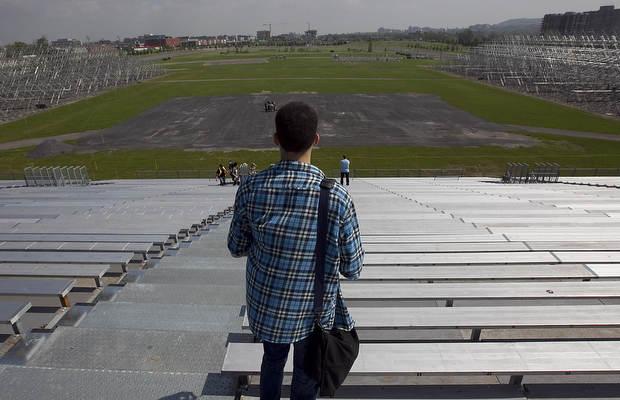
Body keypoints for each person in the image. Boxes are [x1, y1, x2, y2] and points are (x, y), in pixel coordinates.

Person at [228, 102, 364, 400]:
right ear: (316, 139)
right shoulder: (337, 197)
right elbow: (353, 268)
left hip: (267, 308)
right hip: (313, 315)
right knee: (305, 372)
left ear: (276, 139)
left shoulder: (250, 188)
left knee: (272, 360)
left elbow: (236, 247)